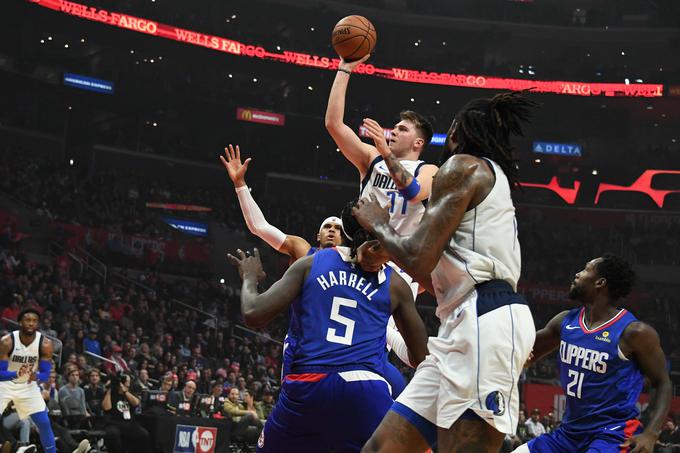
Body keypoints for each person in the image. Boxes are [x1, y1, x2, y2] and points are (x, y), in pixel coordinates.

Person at [353, 91, 539, 452]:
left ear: (455, 131)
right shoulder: (483, 175)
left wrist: (380, 225)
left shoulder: (463, 166)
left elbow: (418, 257)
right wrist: (384, 253)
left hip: (484, 315)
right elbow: (430, 269)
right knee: (381, 448)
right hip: (461, 321)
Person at [227, 201, 428, 452]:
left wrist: (249, 278)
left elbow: (253, 314)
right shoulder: (395, 282)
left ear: (346, 233)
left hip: (310, 385)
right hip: (367, 389)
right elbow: (421, 357)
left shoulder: (311, 262)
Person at [221, 144, 409, 397]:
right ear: (317, 235)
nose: (332, 229)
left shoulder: (365, 263)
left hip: (352, 357)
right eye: (327, 226)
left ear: (348, 237)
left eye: (338, 227)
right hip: (306, 352)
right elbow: (259, 226)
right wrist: (241, 185)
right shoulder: (304, 252)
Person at [513, 255, 672, 453]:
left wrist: (651, 432)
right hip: (568, 432)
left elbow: (663, 382)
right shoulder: (565, 322)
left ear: (600, 282)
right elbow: (522, 354)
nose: (578, 274)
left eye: (586, 269)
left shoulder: (634, 332)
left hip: (612, 433)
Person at [0, 309, 56, 453]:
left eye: (34, 321)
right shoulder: (7, 342)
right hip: (5, 384)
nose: (31, 323)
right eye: (27, 320)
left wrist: (35, 376)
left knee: (44, 422)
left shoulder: (45, 344)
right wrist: (15, 374)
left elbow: (45, 374)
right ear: (20, 322)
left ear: (38, 324)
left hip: (28, 386)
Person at [102, 373, 151, 453]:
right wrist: (109, 389)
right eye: (126, 381)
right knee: (113, 434)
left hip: (129, 422)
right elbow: (107, 408)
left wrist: (125, 392)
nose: (128, 384)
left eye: (128, 381)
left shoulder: (130, 392)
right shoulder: (111, 393)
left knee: (144, 434)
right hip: (114, 422)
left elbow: (136, 403)